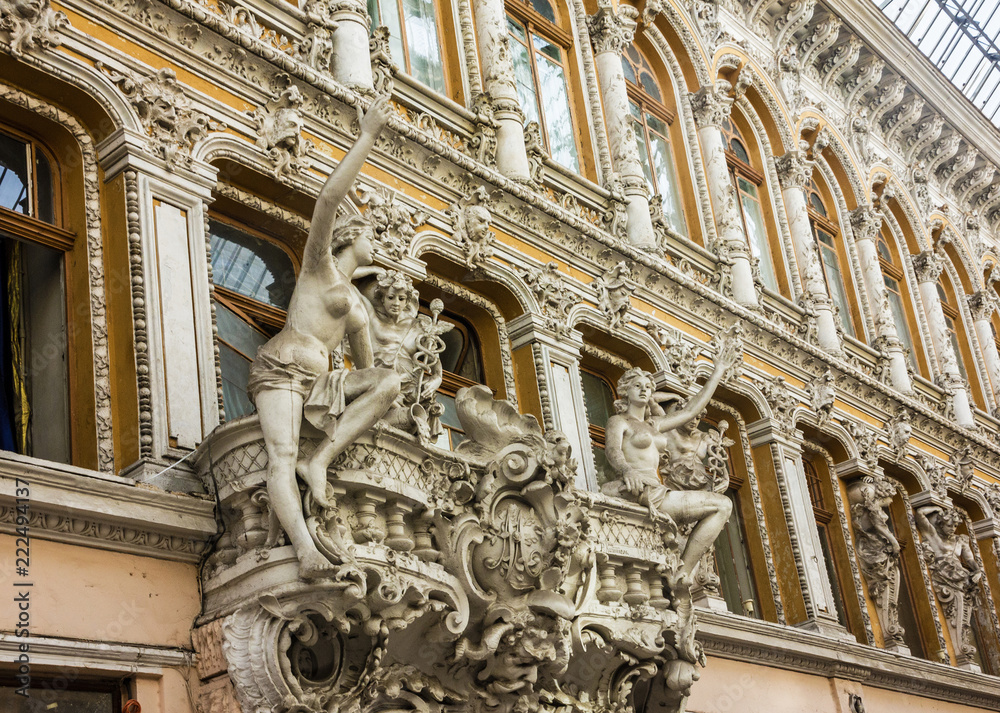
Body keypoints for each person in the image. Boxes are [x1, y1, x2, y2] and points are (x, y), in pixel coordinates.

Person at [248, 96, 401, 580]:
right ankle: (304, 550)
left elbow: (370, 372)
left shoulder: (359, 307)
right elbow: (328, 199)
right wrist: (368, 137)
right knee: (280, 456)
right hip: (281, 368)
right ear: (349, 237)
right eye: (369, 234)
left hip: (321, 382)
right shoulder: (320, 267)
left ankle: (322, 461)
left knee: (390, 383)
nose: (374, 241)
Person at [603, 335, 738, 591]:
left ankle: (682, 572)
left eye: (647, 386)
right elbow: (612, 452)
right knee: (722, 505)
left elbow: (690, 411)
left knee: (722, 506)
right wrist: (626, 469)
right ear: (626, 391)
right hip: (641, 489)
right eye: (637, 386)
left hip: (659, 490)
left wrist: (717, 371)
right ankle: (682, 574)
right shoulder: (619, 421)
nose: (644, 390)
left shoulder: (655, 424)